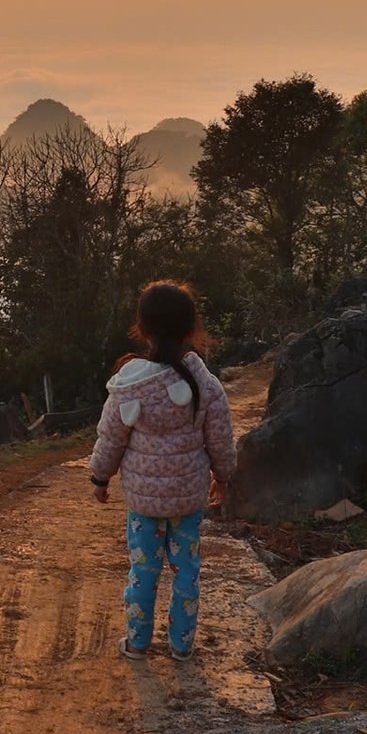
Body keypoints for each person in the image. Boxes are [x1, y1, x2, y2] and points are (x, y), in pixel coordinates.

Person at [88, 280, 236, 661]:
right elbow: (221, 439)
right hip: (187, 502)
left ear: (143, 329)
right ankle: (182, 645)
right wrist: (223, 478)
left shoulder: (130, 386)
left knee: (143, 572)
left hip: (145, 506)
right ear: (191, 329)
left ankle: (138, 643)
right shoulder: (205, 384)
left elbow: (111, 438)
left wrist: (100, 478)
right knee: (186, 572)